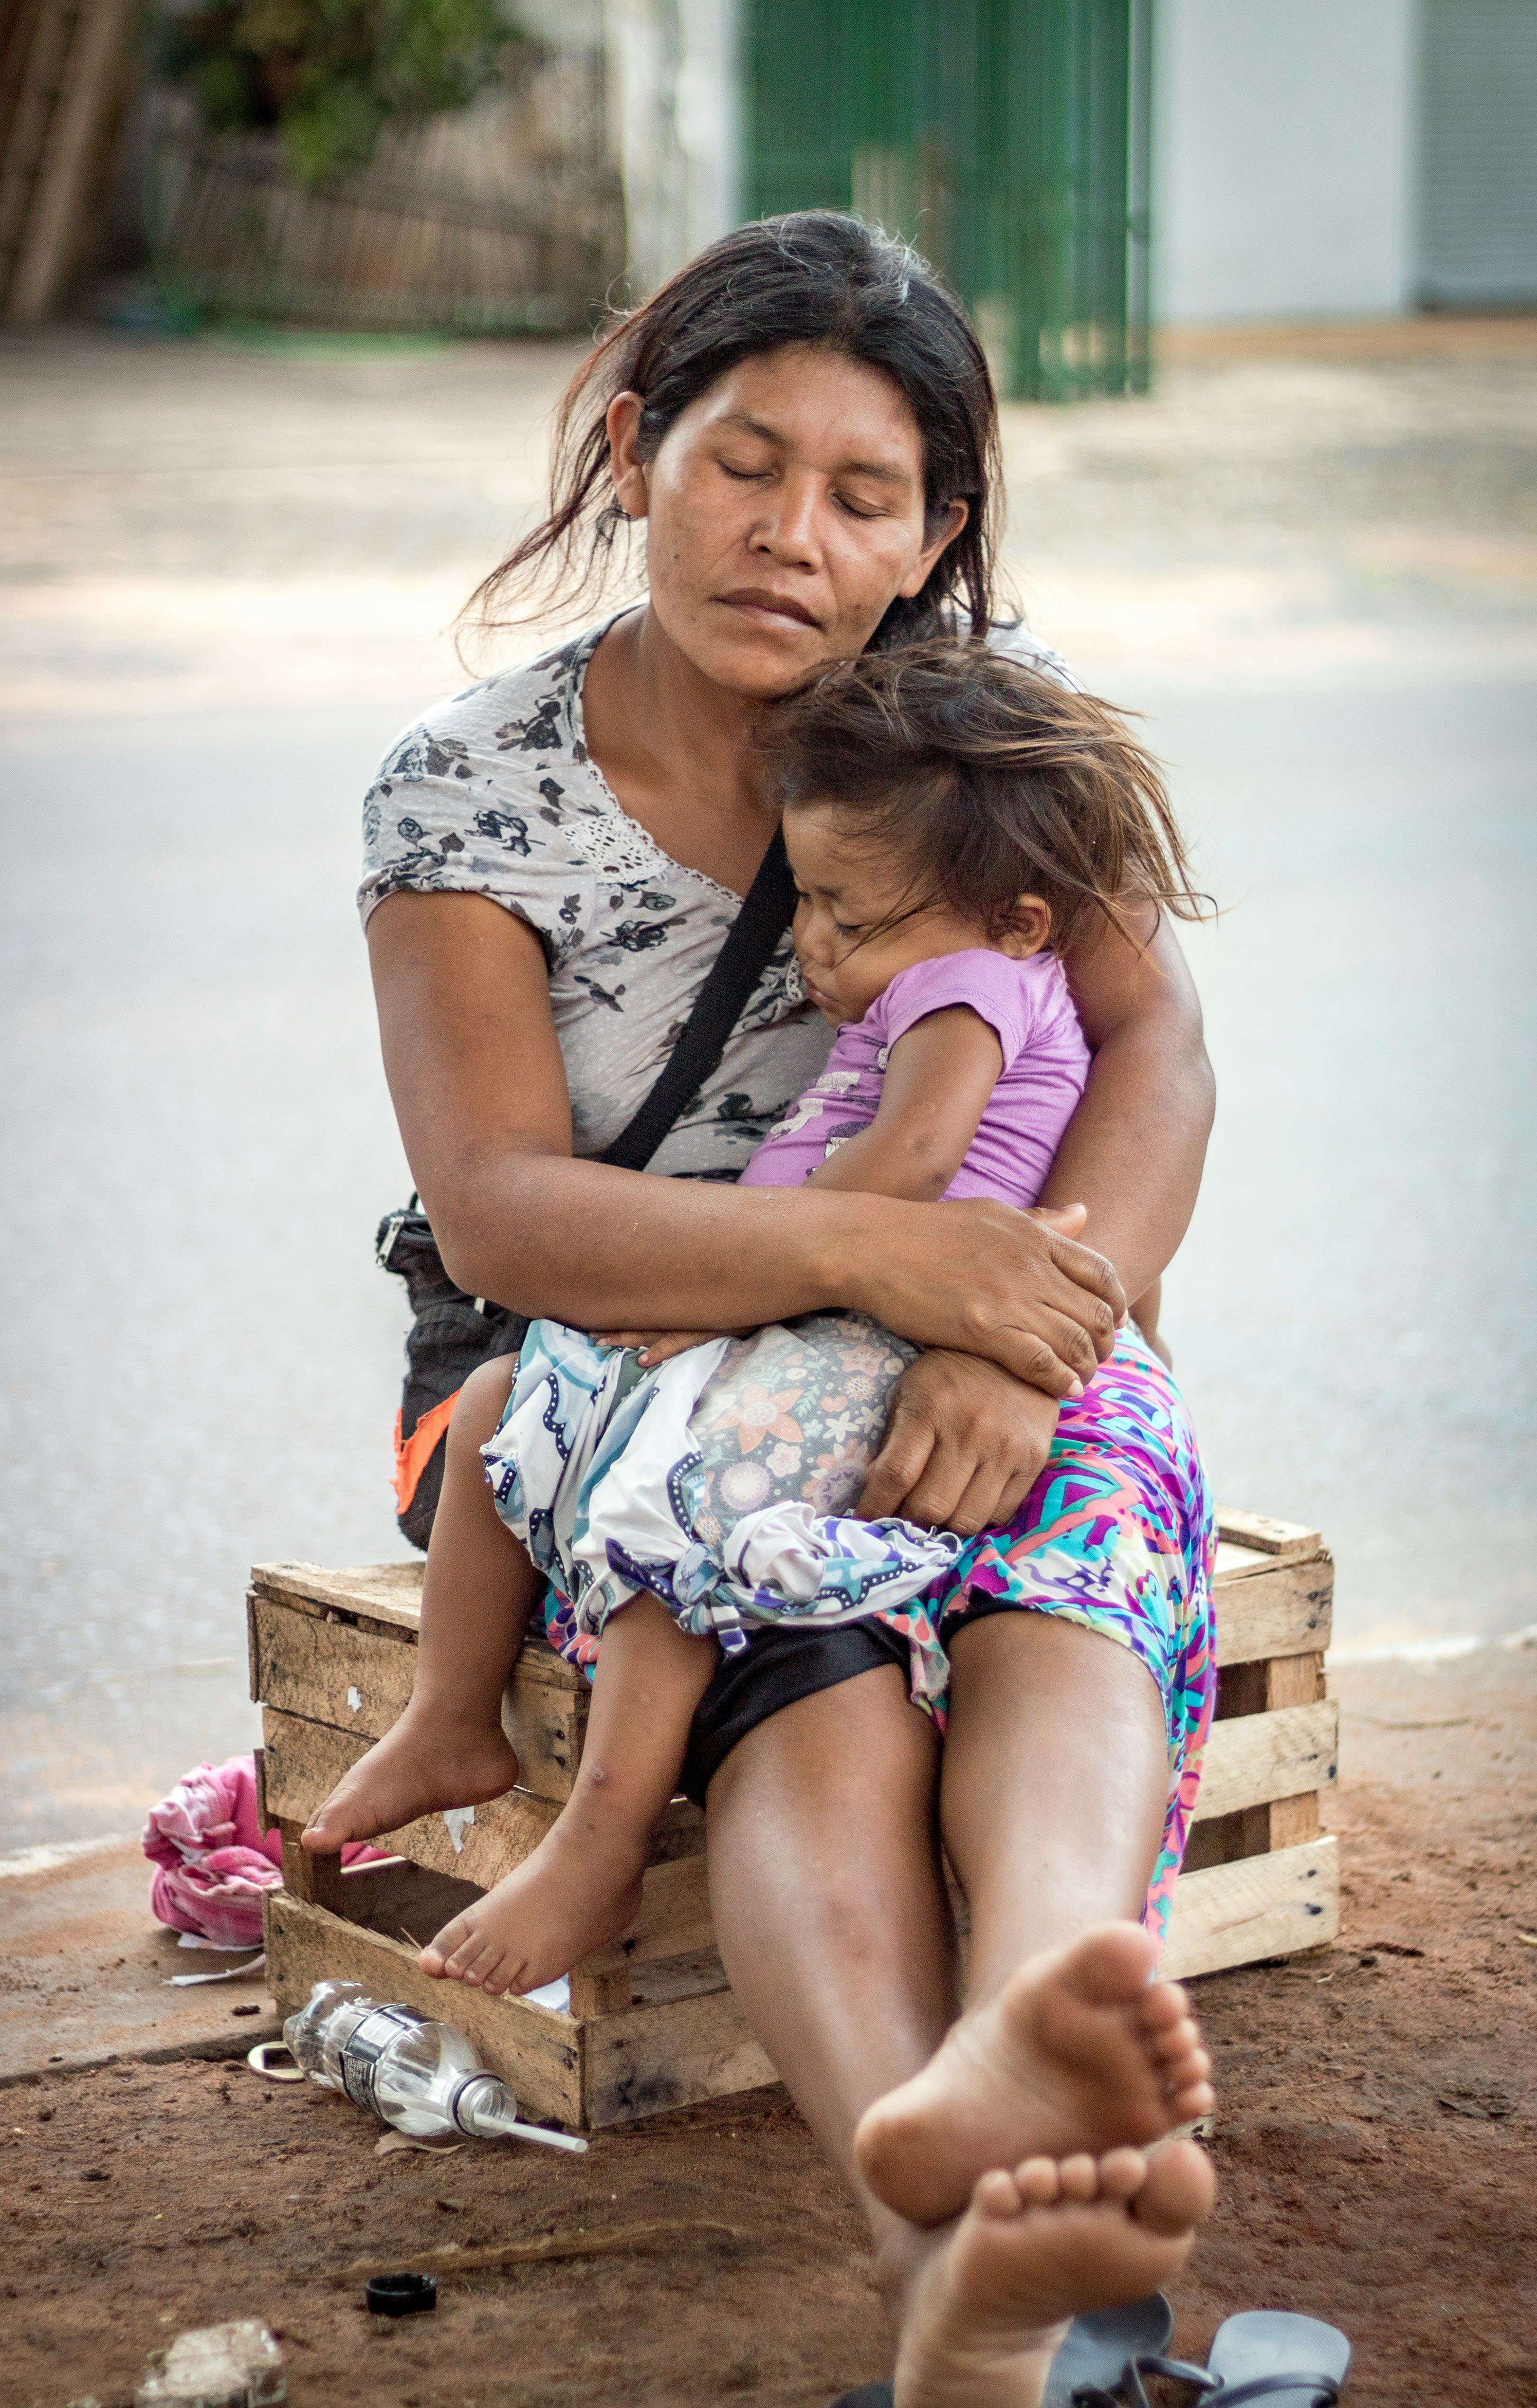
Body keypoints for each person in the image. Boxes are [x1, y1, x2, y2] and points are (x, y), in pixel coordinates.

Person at [306, 212, 1219, 2402]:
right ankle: (962, 2264)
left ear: (936, 535)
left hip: (988, 1334)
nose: (789, 534)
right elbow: (507, 1209)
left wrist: (1023, 1336)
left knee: (1064, 1599)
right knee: (803, 1668)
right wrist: (876, 1258)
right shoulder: (472, 789)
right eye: (743, 460)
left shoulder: (982, 739)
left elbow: (1158, 1054)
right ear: (636, 450)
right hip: (605, 1379)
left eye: (863, 492)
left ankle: (1026, 2057)